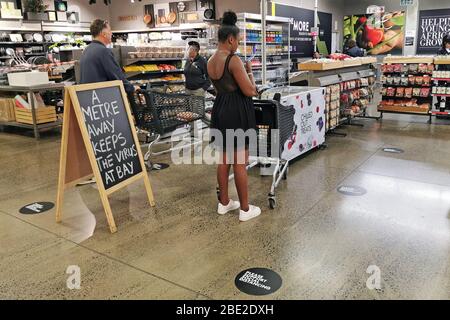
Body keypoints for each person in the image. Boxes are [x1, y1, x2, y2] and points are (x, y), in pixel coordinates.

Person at [207, 11, 261, 222]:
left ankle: (224, 203)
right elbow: (250, 91)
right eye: (238, 40)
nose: (238, 44)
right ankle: (245, 209)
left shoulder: (210, 60)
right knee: (240, 162)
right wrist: (249, 72)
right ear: (230, 39)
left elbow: (220, 87)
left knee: (224, 160)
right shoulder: (233, 59)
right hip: (237, 111)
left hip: (220, 109)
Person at [80, 19, 137, 94]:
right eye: (109, 30)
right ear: (103, 34)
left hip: (89, 98)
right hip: (103, 98)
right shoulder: (103, 51)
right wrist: (131, 88)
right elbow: (116, 76)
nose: (111, 33)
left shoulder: (86, 50)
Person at [436, 34, 450, 111]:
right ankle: (439, 105)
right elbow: (438, 61)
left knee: (449, 90)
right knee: (439, 89)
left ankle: (448, 104)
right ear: (445, 43)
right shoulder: (440, 51)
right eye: (448, 43)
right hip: (441, 73)